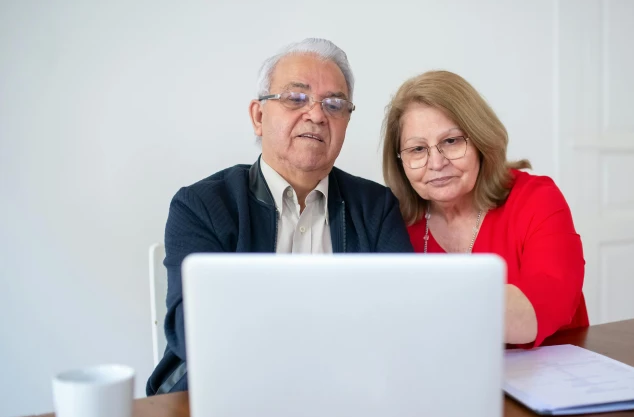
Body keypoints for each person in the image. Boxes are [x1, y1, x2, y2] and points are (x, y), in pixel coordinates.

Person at [147, 38, 412, 396]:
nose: (317, 115)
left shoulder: (376, 207)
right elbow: (191, 330)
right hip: (229, 397)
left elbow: (402, 322)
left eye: (334, 104)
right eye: (295, 98)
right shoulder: (202, 205)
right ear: (258, 116)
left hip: (347, 397)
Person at [381, 70, 588, 346]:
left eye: (451, 141)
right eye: (418, 149)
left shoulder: (536, 199)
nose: (436, 162)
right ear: (400, 162)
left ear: (480, 140)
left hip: (551, 377)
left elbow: (549, 303)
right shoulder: (391, 222)